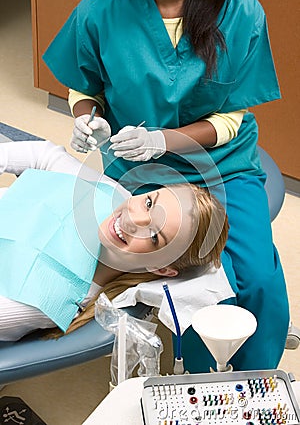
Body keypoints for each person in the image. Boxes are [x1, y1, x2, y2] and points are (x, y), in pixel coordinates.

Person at [42, 0, 289, 371]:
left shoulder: (242, 12)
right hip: (141, 171)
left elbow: (230, 118)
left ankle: (256, 380)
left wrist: (164, 140)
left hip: (221, 163)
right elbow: (85, 88)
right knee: (198, 280)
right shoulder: (100, 11)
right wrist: (88, 119)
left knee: (257, 276)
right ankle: (196, 383)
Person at [0, 140, 228, 341]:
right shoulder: (111, 195)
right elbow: (45, 155)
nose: (133, 218)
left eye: (154, 236)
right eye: (149, 203)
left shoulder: (46, 299)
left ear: (162, 268)